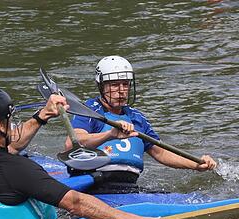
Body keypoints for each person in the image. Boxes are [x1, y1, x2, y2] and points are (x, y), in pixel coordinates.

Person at [0, 87, 178, 219]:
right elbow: (75, 203)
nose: (13, 126)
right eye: (9, 120)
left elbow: (13, 146)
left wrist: (43, 115)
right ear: (0, 126)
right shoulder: (16, 169)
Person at [67, 55, 216, 189]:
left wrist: (196, 164)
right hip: (91, 184)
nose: (121, 91)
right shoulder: (89, 111)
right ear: (101, 86)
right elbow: (72, 142)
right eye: (114, 85)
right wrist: (110, 135)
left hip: (128, 187)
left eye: (125, 84)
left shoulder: (137, 118)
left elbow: (161, 153)